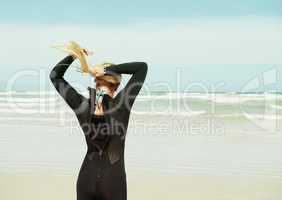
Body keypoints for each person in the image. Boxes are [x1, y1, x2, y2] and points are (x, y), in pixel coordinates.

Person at [50, 41, 147, 200]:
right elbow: (142, 67)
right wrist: (108, 70)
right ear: (116, 86)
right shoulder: (121, 105)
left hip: (86, 178)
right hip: (113, 182)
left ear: (96, 80)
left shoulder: (82, 105)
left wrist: (75, 56)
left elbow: (55, 76)